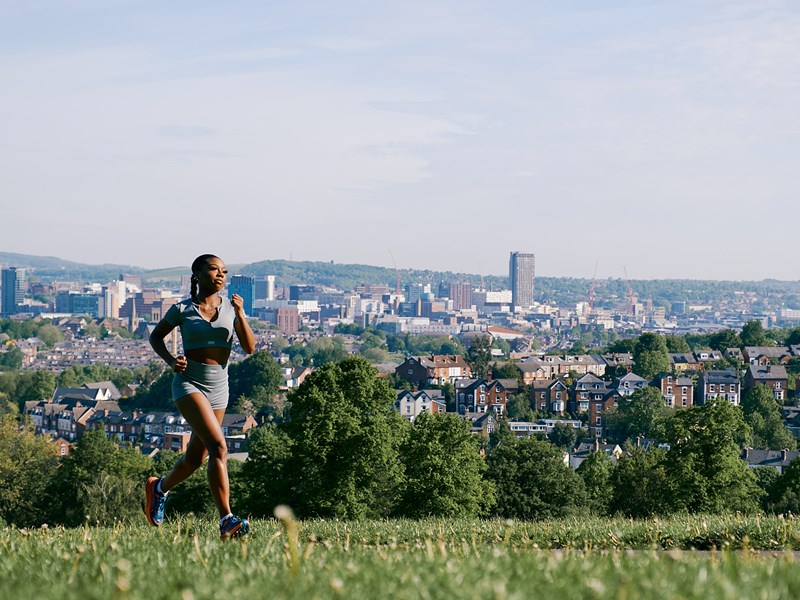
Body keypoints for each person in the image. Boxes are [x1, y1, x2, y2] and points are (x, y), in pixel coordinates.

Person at [145, 253, 256, 540]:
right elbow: (156, 337)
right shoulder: (182, 309)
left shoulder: (231, 309)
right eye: (214, 269)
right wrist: (171, 361)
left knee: (196, 458)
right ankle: (226, 520)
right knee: (219, 446)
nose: (221, 275)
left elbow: (249, 347)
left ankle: (159, 489)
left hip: (220, 388)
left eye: (224, 271)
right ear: (197, 275)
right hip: (188, 384)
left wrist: (241, 314)